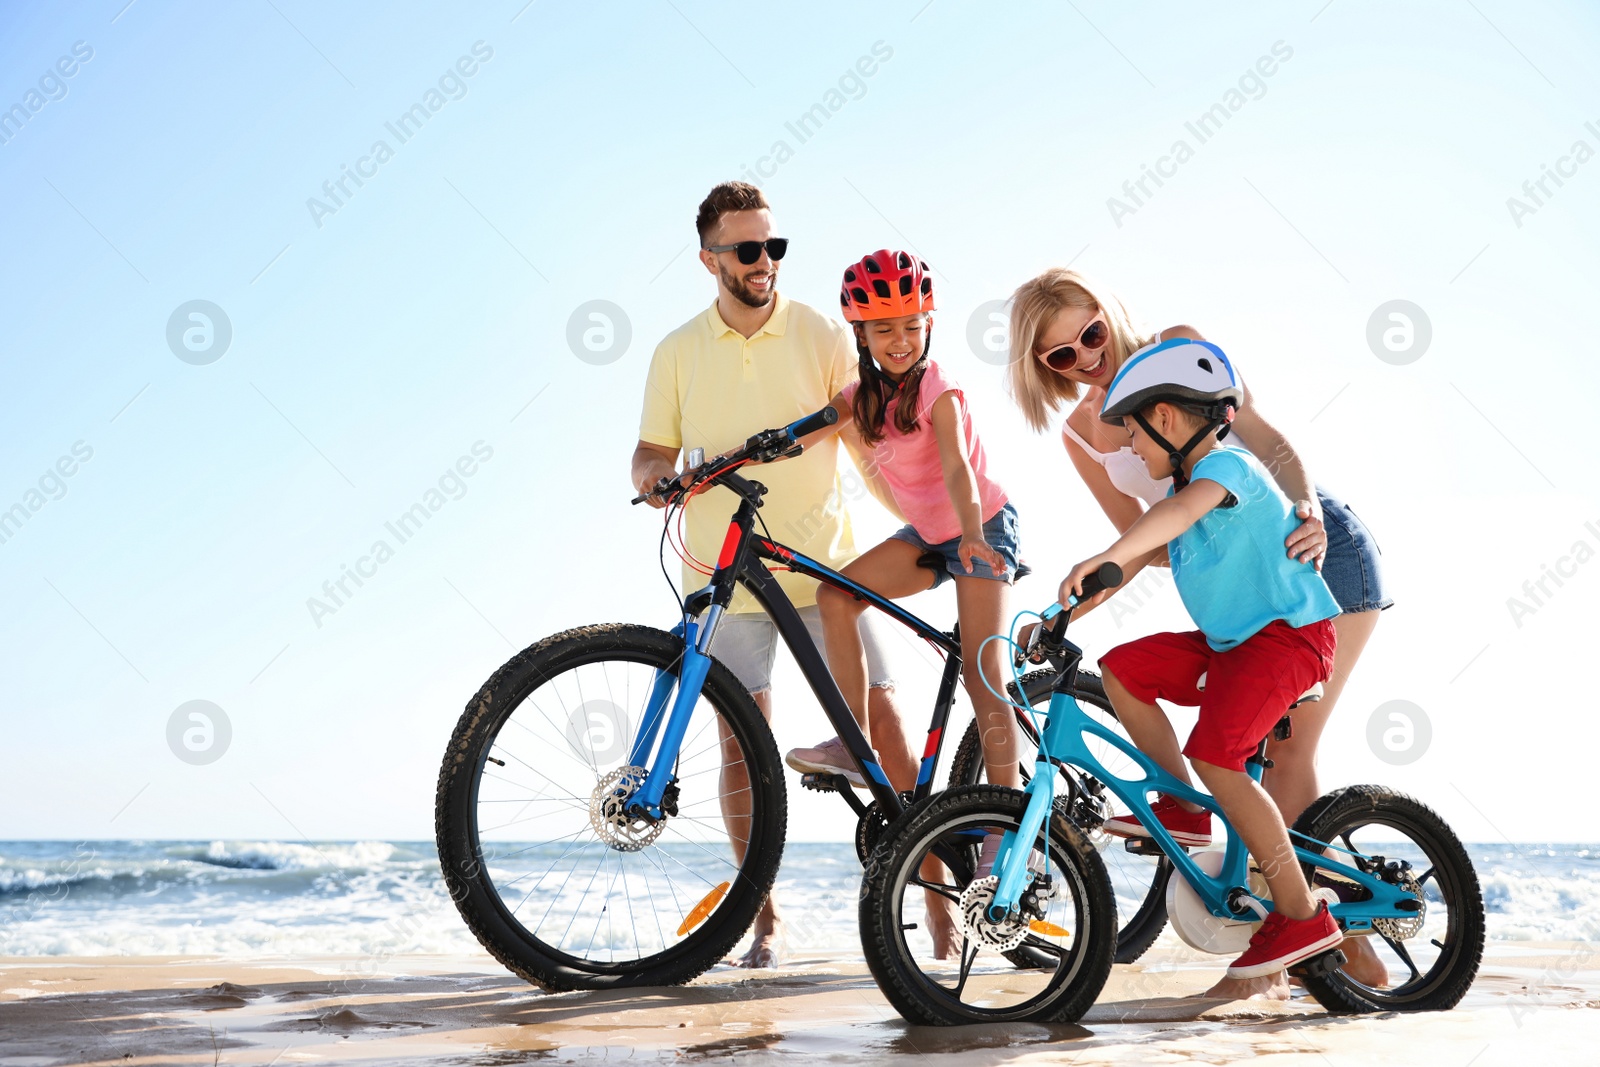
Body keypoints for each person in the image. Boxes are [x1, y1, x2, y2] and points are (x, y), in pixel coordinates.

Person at [1007, 268, 1389, 995]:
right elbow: (1143, 540)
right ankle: (1203, 830)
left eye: (1090, 333)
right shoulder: (1083, 433)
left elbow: (1263, 443)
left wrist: (1304, 503)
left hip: (1304, 548)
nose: (1087, 358)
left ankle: (1335, 952)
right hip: (1235, 587)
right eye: (1062, 356)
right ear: (1044, 368)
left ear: (1107, 311)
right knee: (1229, 749)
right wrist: (1076, 600)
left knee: (1284, 757)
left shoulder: (1184, 356)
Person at [632, 182, 916, 969]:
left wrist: (920, 514)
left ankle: (937, 903)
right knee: (740, 741)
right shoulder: (676, 350)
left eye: (775, 247)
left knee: (883, 725)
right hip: (722, 569)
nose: (766, 263)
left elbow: (862, 434)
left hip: (824, 562)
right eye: (749, 249)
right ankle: (762, 916)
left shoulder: (822, 331)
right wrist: (656, 475)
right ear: (709, 258)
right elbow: (652, 449)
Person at [1059, 337, 1344, 982]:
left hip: (1288, 639)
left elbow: (1171, 517)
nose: (1129, 446)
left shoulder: (1229, 471)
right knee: (1123, 669)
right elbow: (1139, 551)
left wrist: (1104, 553)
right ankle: (1185, 807)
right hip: (1231, 648)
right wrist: (1066, 612)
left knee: (1218, 753)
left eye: (1132, 430)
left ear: (1165, 418)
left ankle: (1301, 916)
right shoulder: (1183, 496)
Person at [799, 249, 1022, 957]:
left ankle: (998, 842)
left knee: (989, 686)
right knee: (837, 594)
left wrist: (978, 541)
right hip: (927, 537)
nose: (899, 339)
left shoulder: (937, 388)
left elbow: (956, 465)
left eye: (911, 324)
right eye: (882, 328)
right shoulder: (862, 399)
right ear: (859, 335)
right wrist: (736, 458)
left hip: (981, 530)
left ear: (929, 323)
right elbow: (807, 427)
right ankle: (854, 738)